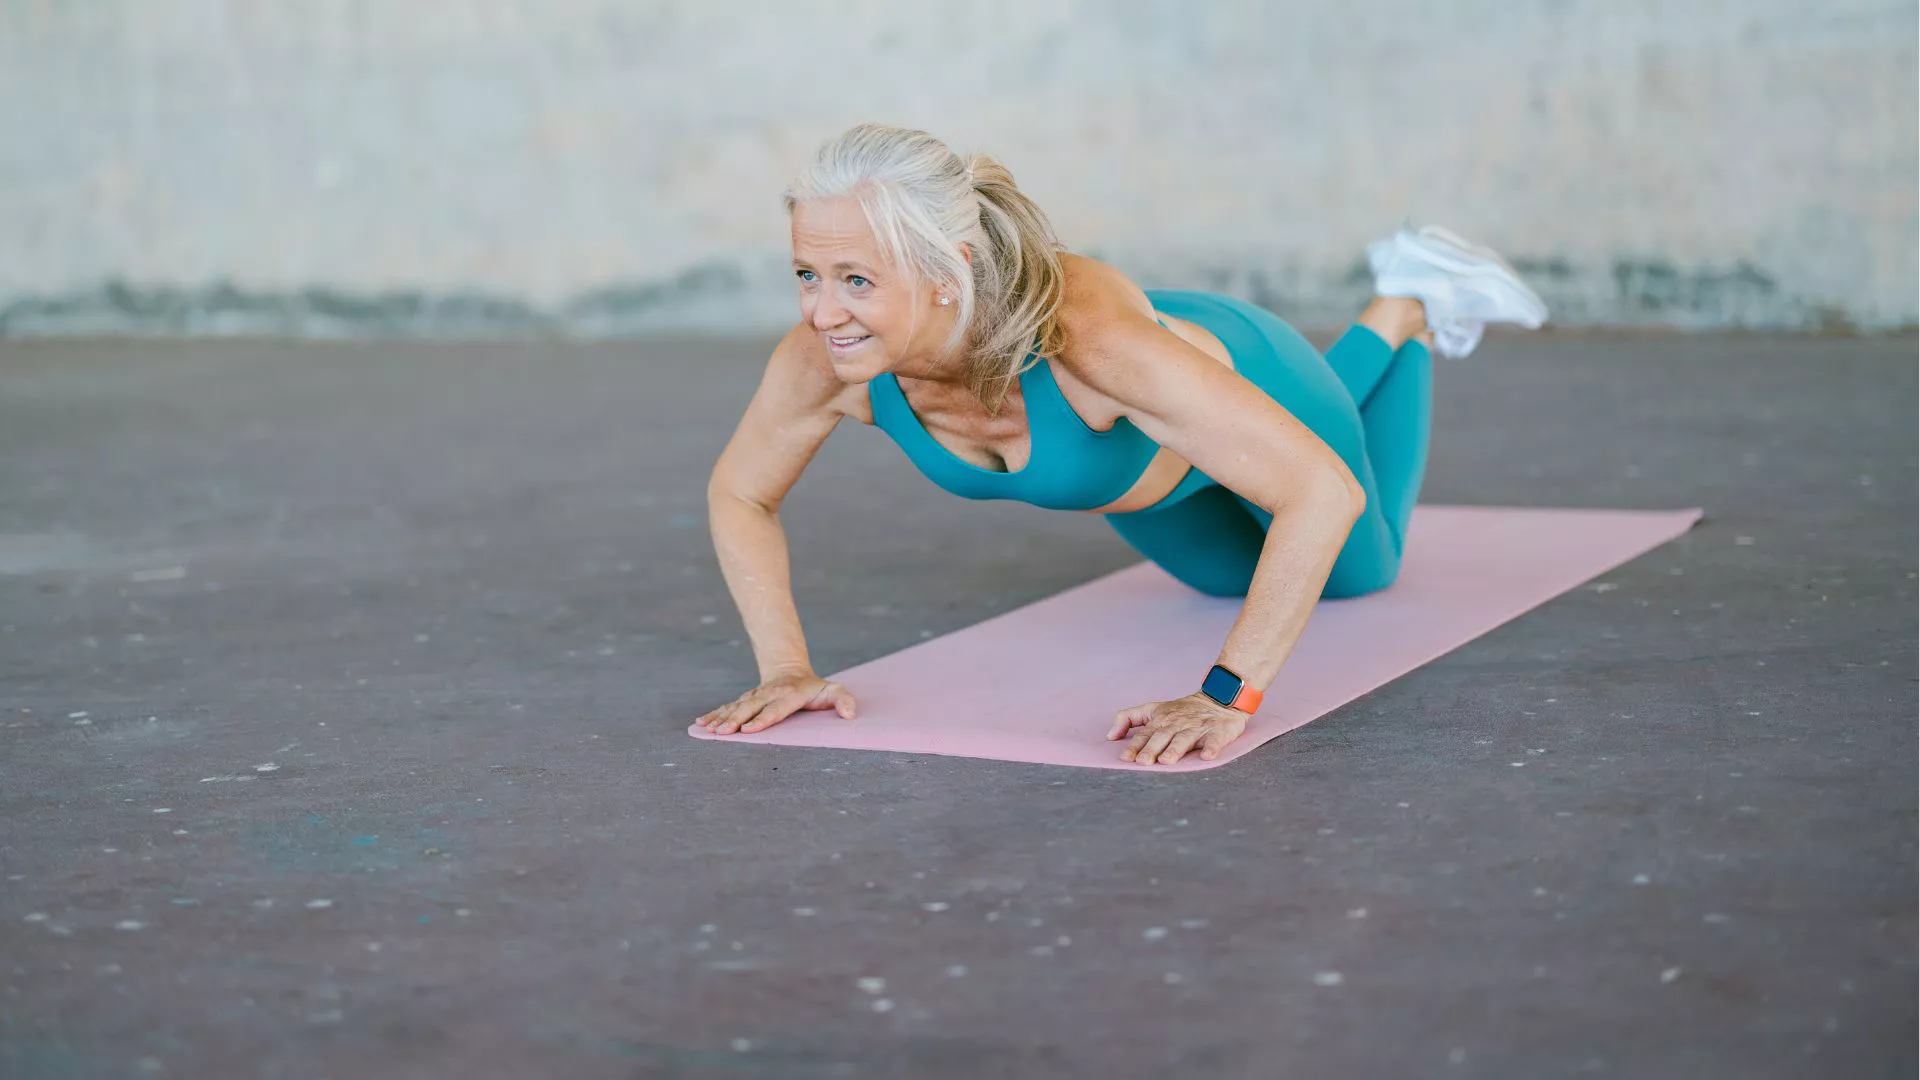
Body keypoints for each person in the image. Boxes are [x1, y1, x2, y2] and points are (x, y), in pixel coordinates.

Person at [696, 123, 1547, 766]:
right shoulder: (830, 363)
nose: (821, 311)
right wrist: (786, 671)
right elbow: (740, 491)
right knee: (1230, 583)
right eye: (808, 274)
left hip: (1246, 369)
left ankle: (1406, 304)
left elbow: (1323, 494)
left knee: (1361, 573)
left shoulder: (1088, 349)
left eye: (855, 281)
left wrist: (1227, 697)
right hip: (1150, 469)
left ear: (947, 271)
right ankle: (1398, 311)